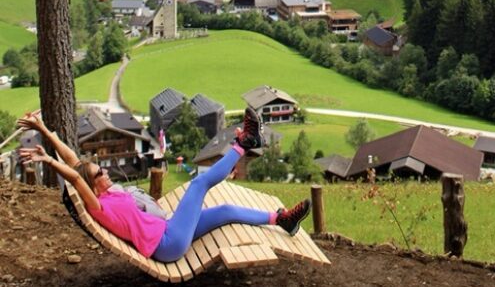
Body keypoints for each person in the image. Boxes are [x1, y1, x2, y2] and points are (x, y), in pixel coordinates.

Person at [17, 109, 310, 263]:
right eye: (100, 174)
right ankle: (244, 144)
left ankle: (280, 220)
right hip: (167, 243)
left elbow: (75, 162)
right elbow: (76, 177)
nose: (105, 174)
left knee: (225, 211)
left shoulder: (104, 191)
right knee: (199, 184)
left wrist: (44, 131)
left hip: (169, 230)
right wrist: (47, 160)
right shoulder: (99, 206)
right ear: (92, 188)